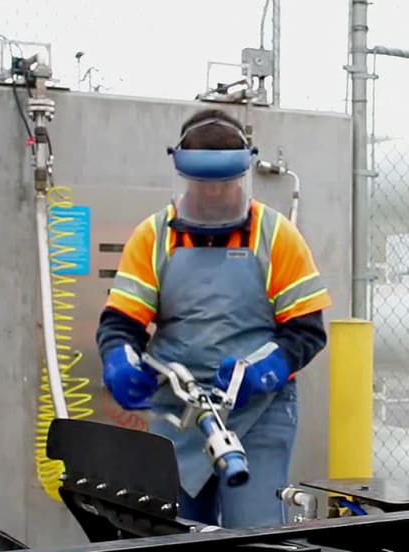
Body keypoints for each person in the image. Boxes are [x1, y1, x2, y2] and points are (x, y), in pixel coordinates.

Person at [95, 108, 332, 529]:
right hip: (179, 408)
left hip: (258, 408)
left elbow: (306, 329)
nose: (215, 193)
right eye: (204, 183)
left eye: (225, 183)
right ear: (185, 177)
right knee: (174, 529)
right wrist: (119, 360)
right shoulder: (154, 236)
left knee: (255, 529)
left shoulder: (275, 235)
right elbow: (121, 322)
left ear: (243, 176)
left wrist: (269, 368)